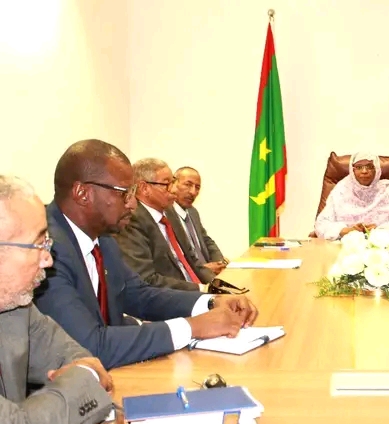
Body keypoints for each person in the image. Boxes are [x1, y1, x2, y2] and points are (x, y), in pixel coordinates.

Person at [34, 140, 258, 369]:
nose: (132, 204)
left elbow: (139, 295)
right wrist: (193, 327)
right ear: (83, 193)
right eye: (125, 193)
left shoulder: (103, 239)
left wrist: (210, 302)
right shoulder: (44, 249)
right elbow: (90, 346)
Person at [0, 174, 113, 424]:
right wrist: (85, 379)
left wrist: (82, 376)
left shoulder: (16, 307)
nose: (48, 260)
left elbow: (74, 357)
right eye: (38, 244)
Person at [115, 158, 214, 291]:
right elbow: (147, 279)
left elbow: (192, 260)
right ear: (144, 188)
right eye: (167, 184)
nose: (174, 189)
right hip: (171, 296)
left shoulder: (170, 212)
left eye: (173, 182)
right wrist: (201, 289)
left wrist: (217, 284)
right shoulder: (131, 221)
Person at [314, 152, 389, 240]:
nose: (364, 171)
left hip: (383, 243)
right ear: (352, 170)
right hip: (345, 244)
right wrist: (345, 231)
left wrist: (380, 229)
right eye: (359, 167)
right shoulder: (341, 190)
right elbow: (321, 223)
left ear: (377, 169)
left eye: (369, 167)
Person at [171, 166, 227, 275]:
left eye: (197, 187)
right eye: (188, 185)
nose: (193, 192)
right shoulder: (166, 215)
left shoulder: (192, 212)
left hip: (209, 273)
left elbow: (206, 240)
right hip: (190, 275)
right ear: (173, 184)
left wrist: (220, 262)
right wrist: (202, 269)